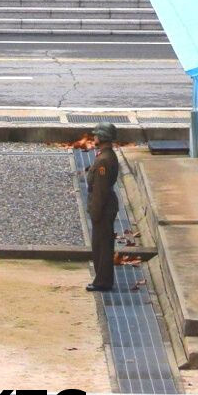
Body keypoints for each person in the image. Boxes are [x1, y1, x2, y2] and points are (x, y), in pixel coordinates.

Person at [86, 123, 120, 292]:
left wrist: (95, 211)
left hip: (103, 209)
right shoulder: (105, 156)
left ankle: (102, 281)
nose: (94, 137)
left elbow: (100, 190)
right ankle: (102, 279)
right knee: (101, 245)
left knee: (102, 247)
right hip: (105, 208)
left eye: (96, 135)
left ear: (102, 137)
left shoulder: (103, 161)